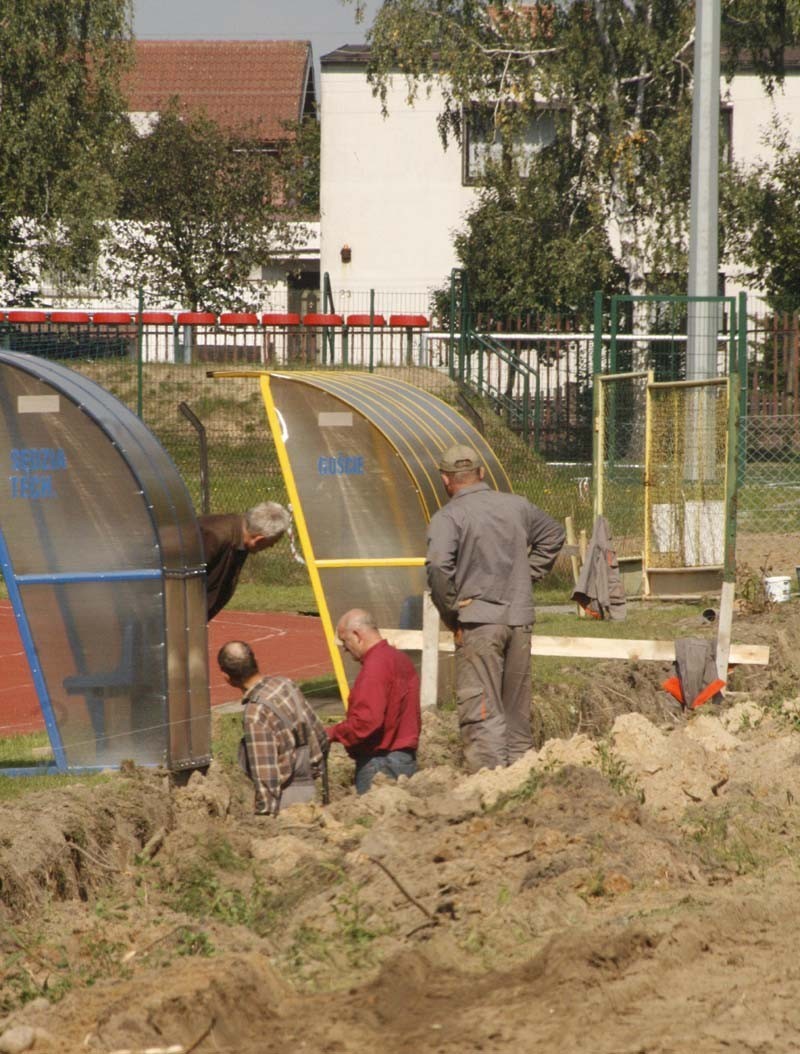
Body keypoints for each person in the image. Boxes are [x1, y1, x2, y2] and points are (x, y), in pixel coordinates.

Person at [426, 444, 565, 773]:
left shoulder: (449, 517)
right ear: (482, 473)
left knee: (482, 708)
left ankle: (488, 786)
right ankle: (522, 780)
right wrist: (525, 577)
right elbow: (553, 535)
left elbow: (437, 566)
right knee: (517, 710)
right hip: (519, 621)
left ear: (446, 480)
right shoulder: (516, 506)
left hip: (478, 622)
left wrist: (451, 612)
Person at [217, 640, 329, 816]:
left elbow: (266, 777)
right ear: (255, 661)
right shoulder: (286, 685)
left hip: (287, 800)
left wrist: (265, 817)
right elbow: (321, 736)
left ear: (227, 678)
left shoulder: (255, 714)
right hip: (312, 785)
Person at [327, 608, 421, 795]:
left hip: (380, 762)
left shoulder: (375, 667)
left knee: (373, 819)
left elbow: (366, 722)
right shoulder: (400, 659)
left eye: (345, 641)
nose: (345, 649)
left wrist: (331, 733)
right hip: (405, 760)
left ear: (357, 634)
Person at [199, 502, 291, 620]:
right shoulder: (212, 536)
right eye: (273, 542)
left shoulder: (241, 536)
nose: (272, 546)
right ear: (259, 539)